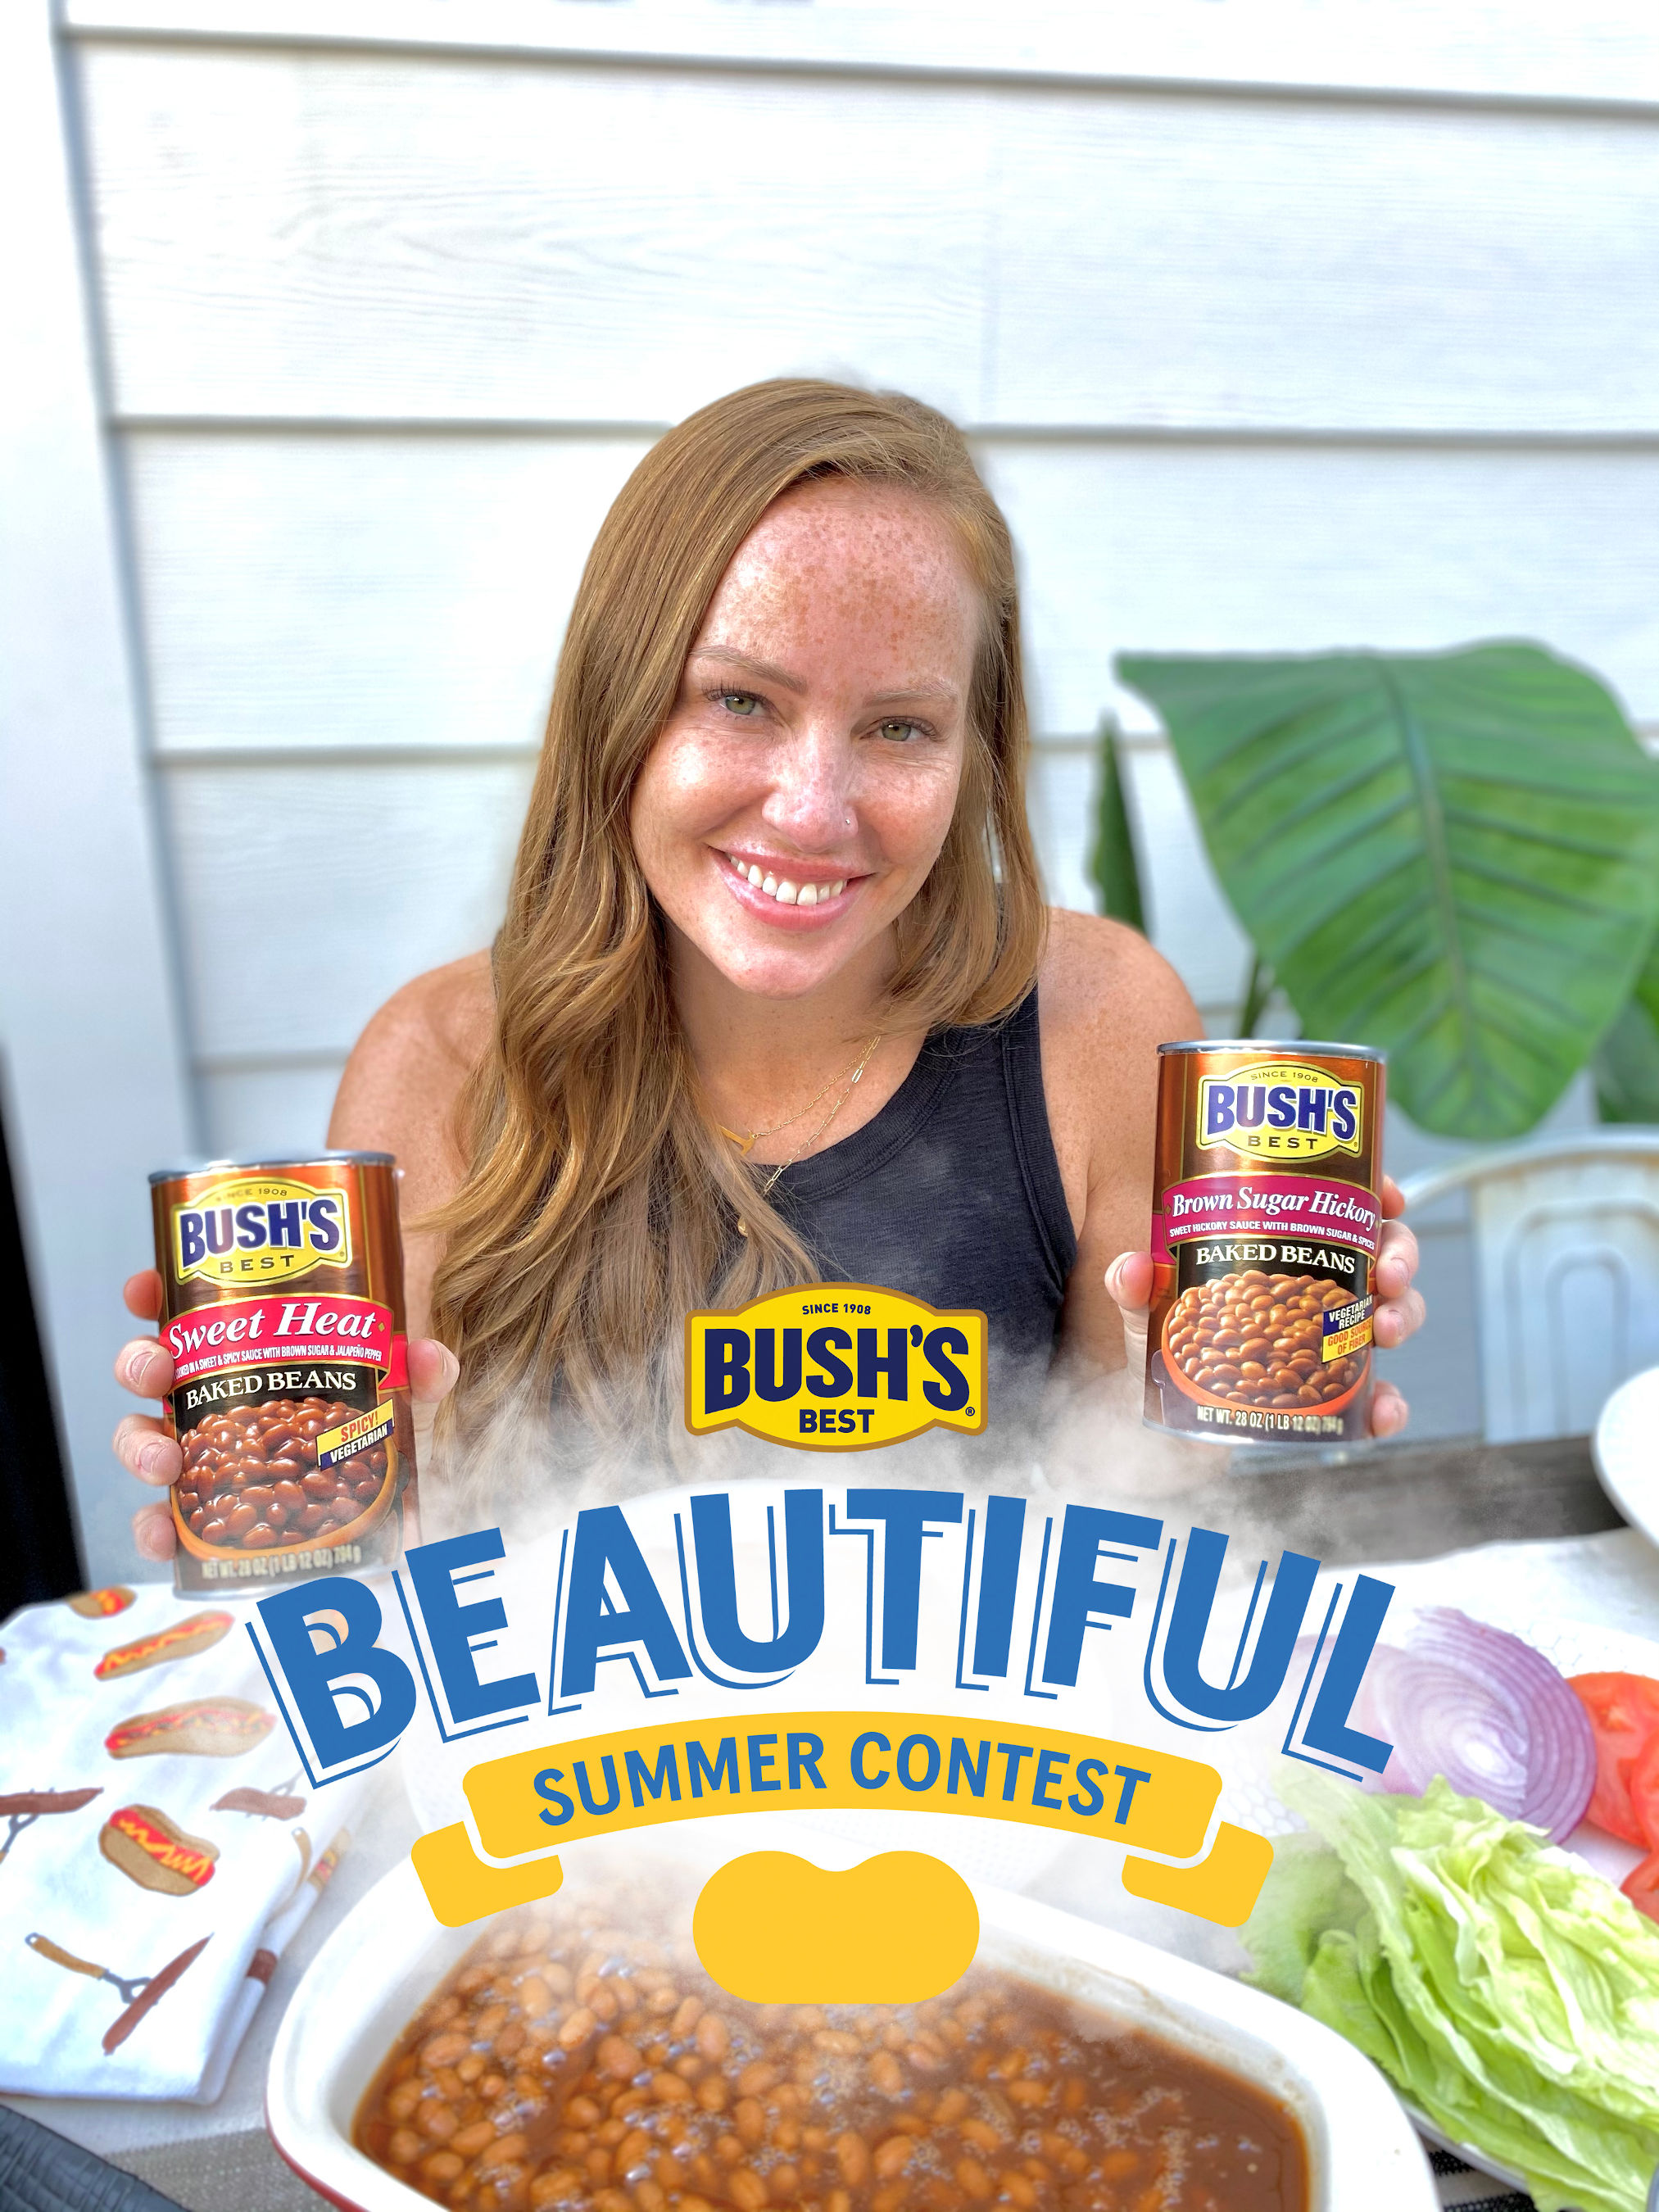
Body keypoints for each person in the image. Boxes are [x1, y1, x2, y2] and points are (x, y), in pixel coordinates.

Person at [113, 379, 1422, 1553]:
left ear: (972, 753)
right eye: (739, 700)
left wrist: (1216, 1389)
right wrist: (301, 1507)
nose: (810, 810)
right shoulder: (438, 1065)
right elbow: (394, 1601)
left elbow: (1151, 1542)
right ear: (621, 706)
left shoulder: (1098, 1019)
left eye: (898, 727)